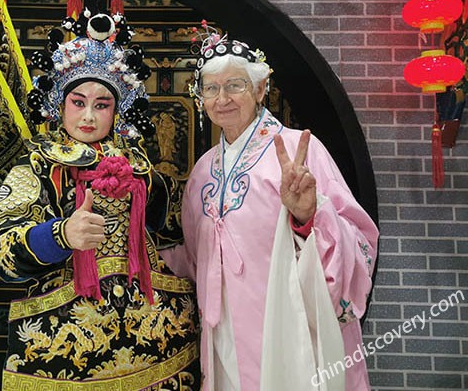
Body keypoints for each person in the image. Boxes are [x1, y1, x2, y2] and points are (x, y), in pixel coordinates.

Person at [0, 12, 202, 390]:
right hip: (64, 339)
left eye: (101, 105)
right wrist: (60, 235)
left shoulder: (137, 162)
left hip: (152, 336)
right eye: (78, 102)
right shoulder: (39, 162)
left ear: (116, 111)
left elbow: (176, 228)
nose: (87, 115)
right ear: (59, 104)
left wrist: (150, 192)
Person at [160, 28, 379, 391]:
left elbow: (357, 240)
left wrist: (309, 217)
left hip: (289, 329)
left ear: (261, 89)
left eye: (235, 85)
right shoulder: (202, 172)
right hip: (223, 334)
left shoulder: (298, 152)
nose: (222, 98)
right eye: (211, 88)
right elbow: (195, 260)